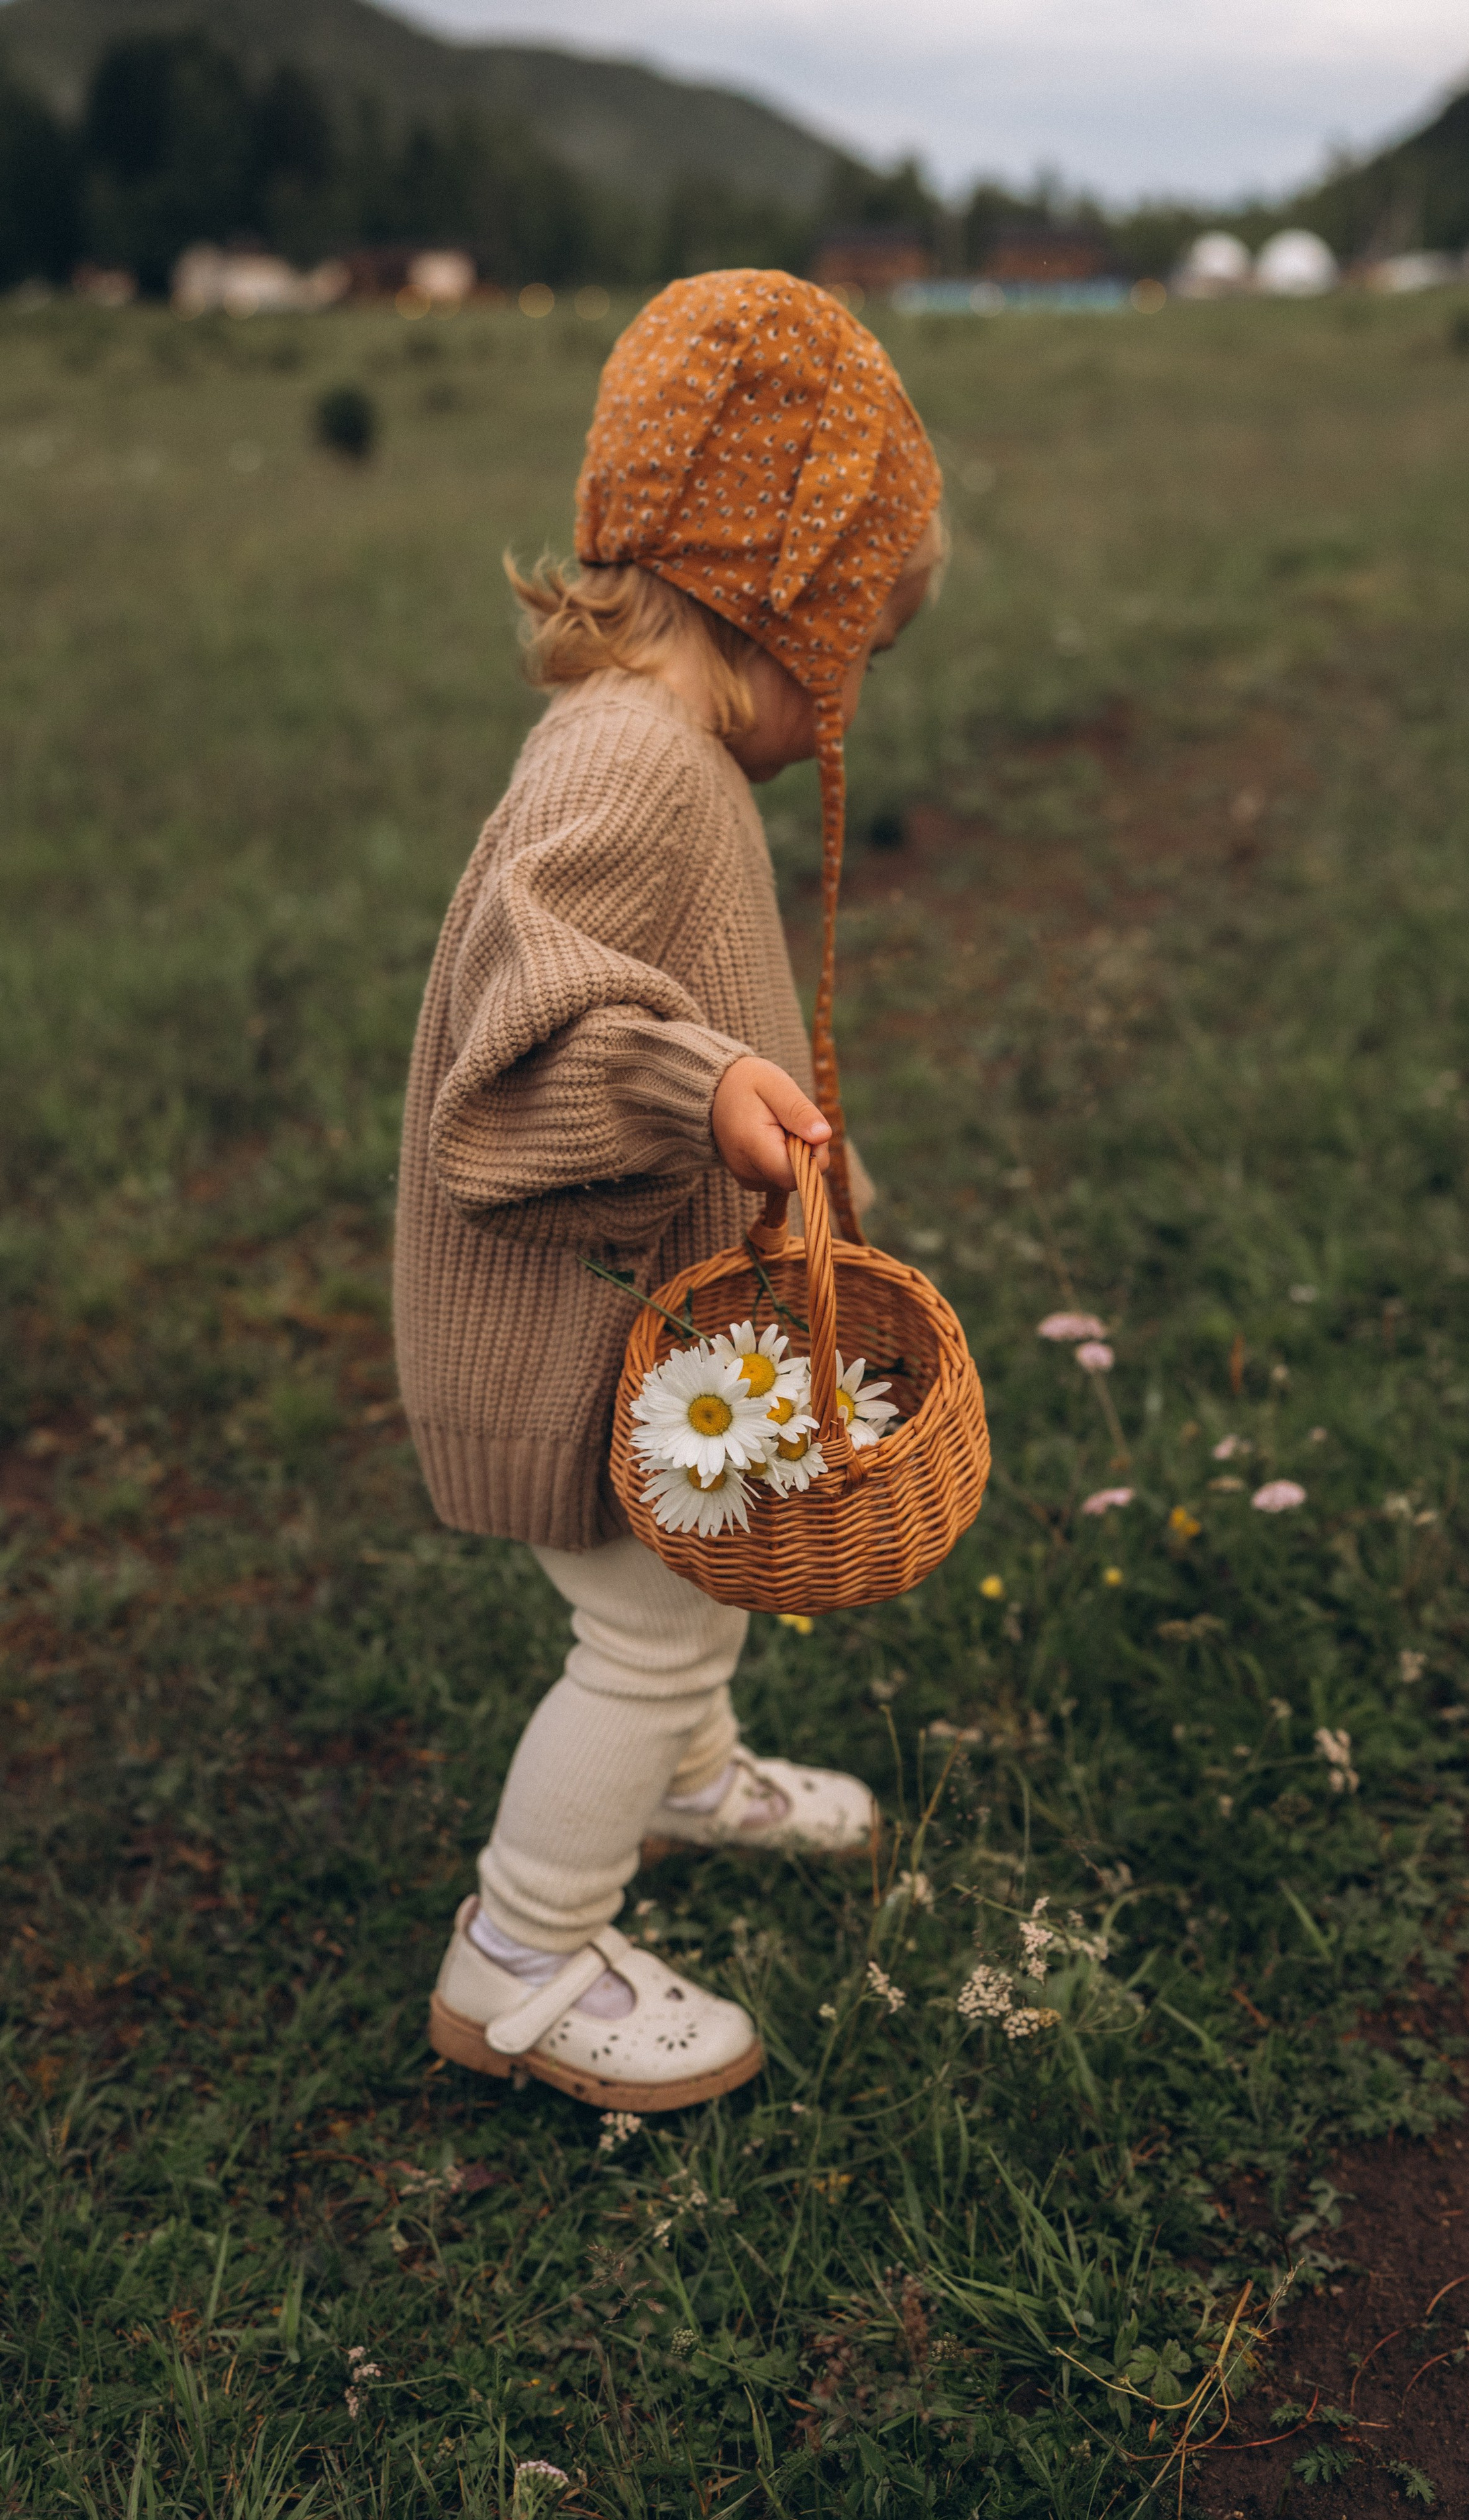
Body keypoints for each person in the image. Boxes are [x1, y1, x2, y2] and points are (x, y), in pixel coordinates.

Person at [393, 270, 944, 2114]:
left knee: (689, 1601)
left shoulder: (660, 749)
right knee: (648, 1630)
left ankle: (689, 1777)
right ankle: (524, 1952)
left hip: (648, 1332)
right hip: (584, 1344)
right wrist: (692, 1086)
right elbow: (526, 1035)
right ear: (788, 602)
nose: (849, 699)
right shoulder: (639, 762)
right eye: (858, 648)